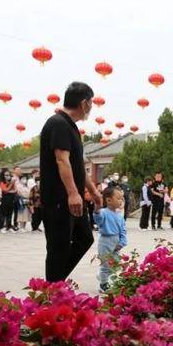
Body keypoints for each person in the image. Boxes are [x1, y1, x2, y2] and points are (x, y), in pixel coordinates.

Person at [40, 82, 103, 282]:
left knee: (85, 238)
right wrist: (73, 193)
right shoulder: (57, 123)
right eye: (91, 102)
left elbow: (77, 165)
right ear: (84, 103)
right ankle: (51, 293)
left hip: (72, 198)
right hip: (59, 198)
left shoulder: (71, 127)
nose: (91, 107)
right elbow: (62, 160)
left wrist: (93, 191)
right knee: (58, 248)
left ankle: (55, 283)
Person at [95, 186, 127, 292]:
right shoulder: (103, 212)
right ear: (108, 200)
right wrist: (97, 210)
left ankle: (103, 276)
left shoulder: (120, 215)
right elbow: (98, 220)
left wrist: (122, 242)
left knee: (116, 264)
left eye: (122, 198)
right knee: (106, 264)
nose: (121, 200)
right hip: (105, 241)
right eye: (118, 198)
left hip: (116, 241)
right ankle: (103, 284)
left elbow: (123, 230)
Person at [0, 169, 17, 233]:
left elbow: (15, 190)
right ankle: (0, 227)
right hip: (3, 200)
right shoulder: (1, 182)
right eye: (6, 175)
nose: (8, 176)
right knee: (2, 214)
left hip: (11, 200)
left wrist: (10, 189)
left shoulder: (11, 181)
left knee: (10, 214)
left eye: (8, 175)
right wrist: (11, 184)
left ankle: (9, 226)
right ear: (3, 175)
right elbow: (5, 190)